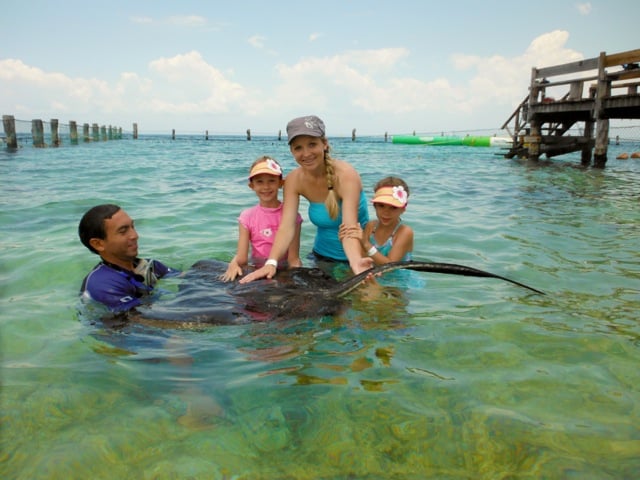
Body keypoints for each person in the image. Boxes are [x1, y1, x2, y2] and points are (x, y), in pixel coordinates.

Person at [240, 114, 372, 284]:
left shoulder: (346, 175)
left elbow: (349, 229)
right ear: (292, 151)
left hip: (358, 257)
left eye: (312, 144)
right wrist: (271, 262)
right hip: (321, 257)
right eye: (298, 148)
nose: (306, 153)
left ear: (324, 144)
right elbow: (287, 227)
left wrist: (356, 264)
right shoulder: (294, 180)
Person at [78, 204, 179, 312]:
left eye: (132, 227)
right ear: (98, 244)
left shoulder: (149, 265)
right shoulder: (102, 284)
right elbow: (141, 320)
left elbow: (187, 278)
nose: (135, 235)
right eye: (123, 231)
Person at [222, 156, 303, 281]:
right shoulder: (246, 217)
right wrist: (233, 264)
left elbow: (293, 259)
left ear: (281, 183)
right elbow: (242, 257)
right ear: (251, 186)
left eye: (271, 180)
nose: (266, 187)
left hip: (280, 270)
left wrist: (295, 281)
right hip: (256, 268)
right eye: (259, 182)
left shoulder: (292, 216)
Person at [340, 177, 413, 265]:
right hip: (373, 271)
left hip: (397, 276)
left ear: (403, 209)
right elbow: (363, 256)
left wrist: (365, 243)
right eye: (381, 206)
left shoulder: (404, 232)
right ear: (375, 206)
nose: (386, 212)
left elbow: (390, 266)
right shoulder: (371, 226)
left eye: (393, 208)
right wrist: (347, 240)